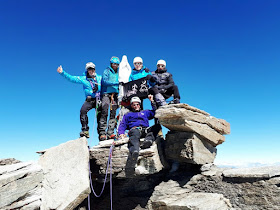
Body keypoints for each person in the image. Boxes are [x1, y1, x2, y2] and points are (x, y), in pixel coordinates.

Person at [57, 62, 102, 138]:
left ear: (95, 69)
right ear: (87, 70)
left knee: (100, 116)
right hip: (90, 100)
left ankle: (102, 134)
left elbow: (107, 84)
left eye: (92, 69)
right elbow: (72, 78)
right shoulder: (83, 79)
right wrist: (62, 73)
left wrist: (99, 88)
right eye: (89, 69)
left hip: (99, 99)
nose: (91, 70)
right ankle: (85, 131)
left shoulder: (100, 78)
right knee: (83, 111)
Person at [118, 95, 161, 162]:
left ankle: (148, 140)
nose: (136, 106)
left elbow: (156, 112)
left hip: (145, 129)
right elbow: (122, 124)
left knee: (157, 126)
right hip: (135, 129)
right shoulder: (128, 114)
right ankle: (135, 150)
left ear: (140, 105)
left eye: (137, 104)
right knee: (134, 133)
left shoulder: (145, 112)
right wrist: (121, 133)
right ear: (131, 106)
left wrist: (152, 101)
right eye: (134, 104)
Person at [98, 56, 120, 141]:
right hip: (106, 94)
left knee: (113, 113)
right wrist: (116, 83)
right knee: (104, 110)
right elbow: (104, 81)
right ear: (111, 63)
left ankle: (110, 132)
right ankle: (102, 133)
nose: (115, 65)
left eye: (116, 64)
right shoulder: (106, 71)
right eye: (113, 63)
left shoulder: (119, 72)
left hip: (115, 94)